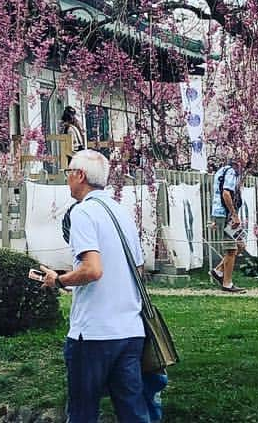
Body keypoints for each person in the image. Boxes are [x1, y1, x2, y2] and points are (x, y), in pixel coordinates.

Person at [39, 149, 148, 423]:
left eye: (69, 173)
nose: (68, 180)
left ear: (80, 175)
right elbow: (137, 268)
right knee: (133, 412)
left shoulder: (83, 212)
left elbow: (92, 269)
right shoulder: (121, 212)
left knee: (83, 413)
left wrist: (59, 280)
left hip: (93, 334)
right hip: (130, 330)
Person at [209, 160, 246, 293]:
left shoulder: (221, 171)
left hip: (221, 215)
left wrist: (216, 219)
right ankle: (227, 283)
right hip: (227, 215)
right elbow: (225, 193)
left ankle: (218, 271)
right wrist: (234, 214)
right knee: (231, 249)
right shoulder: (231, 172)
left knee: (241, 245)